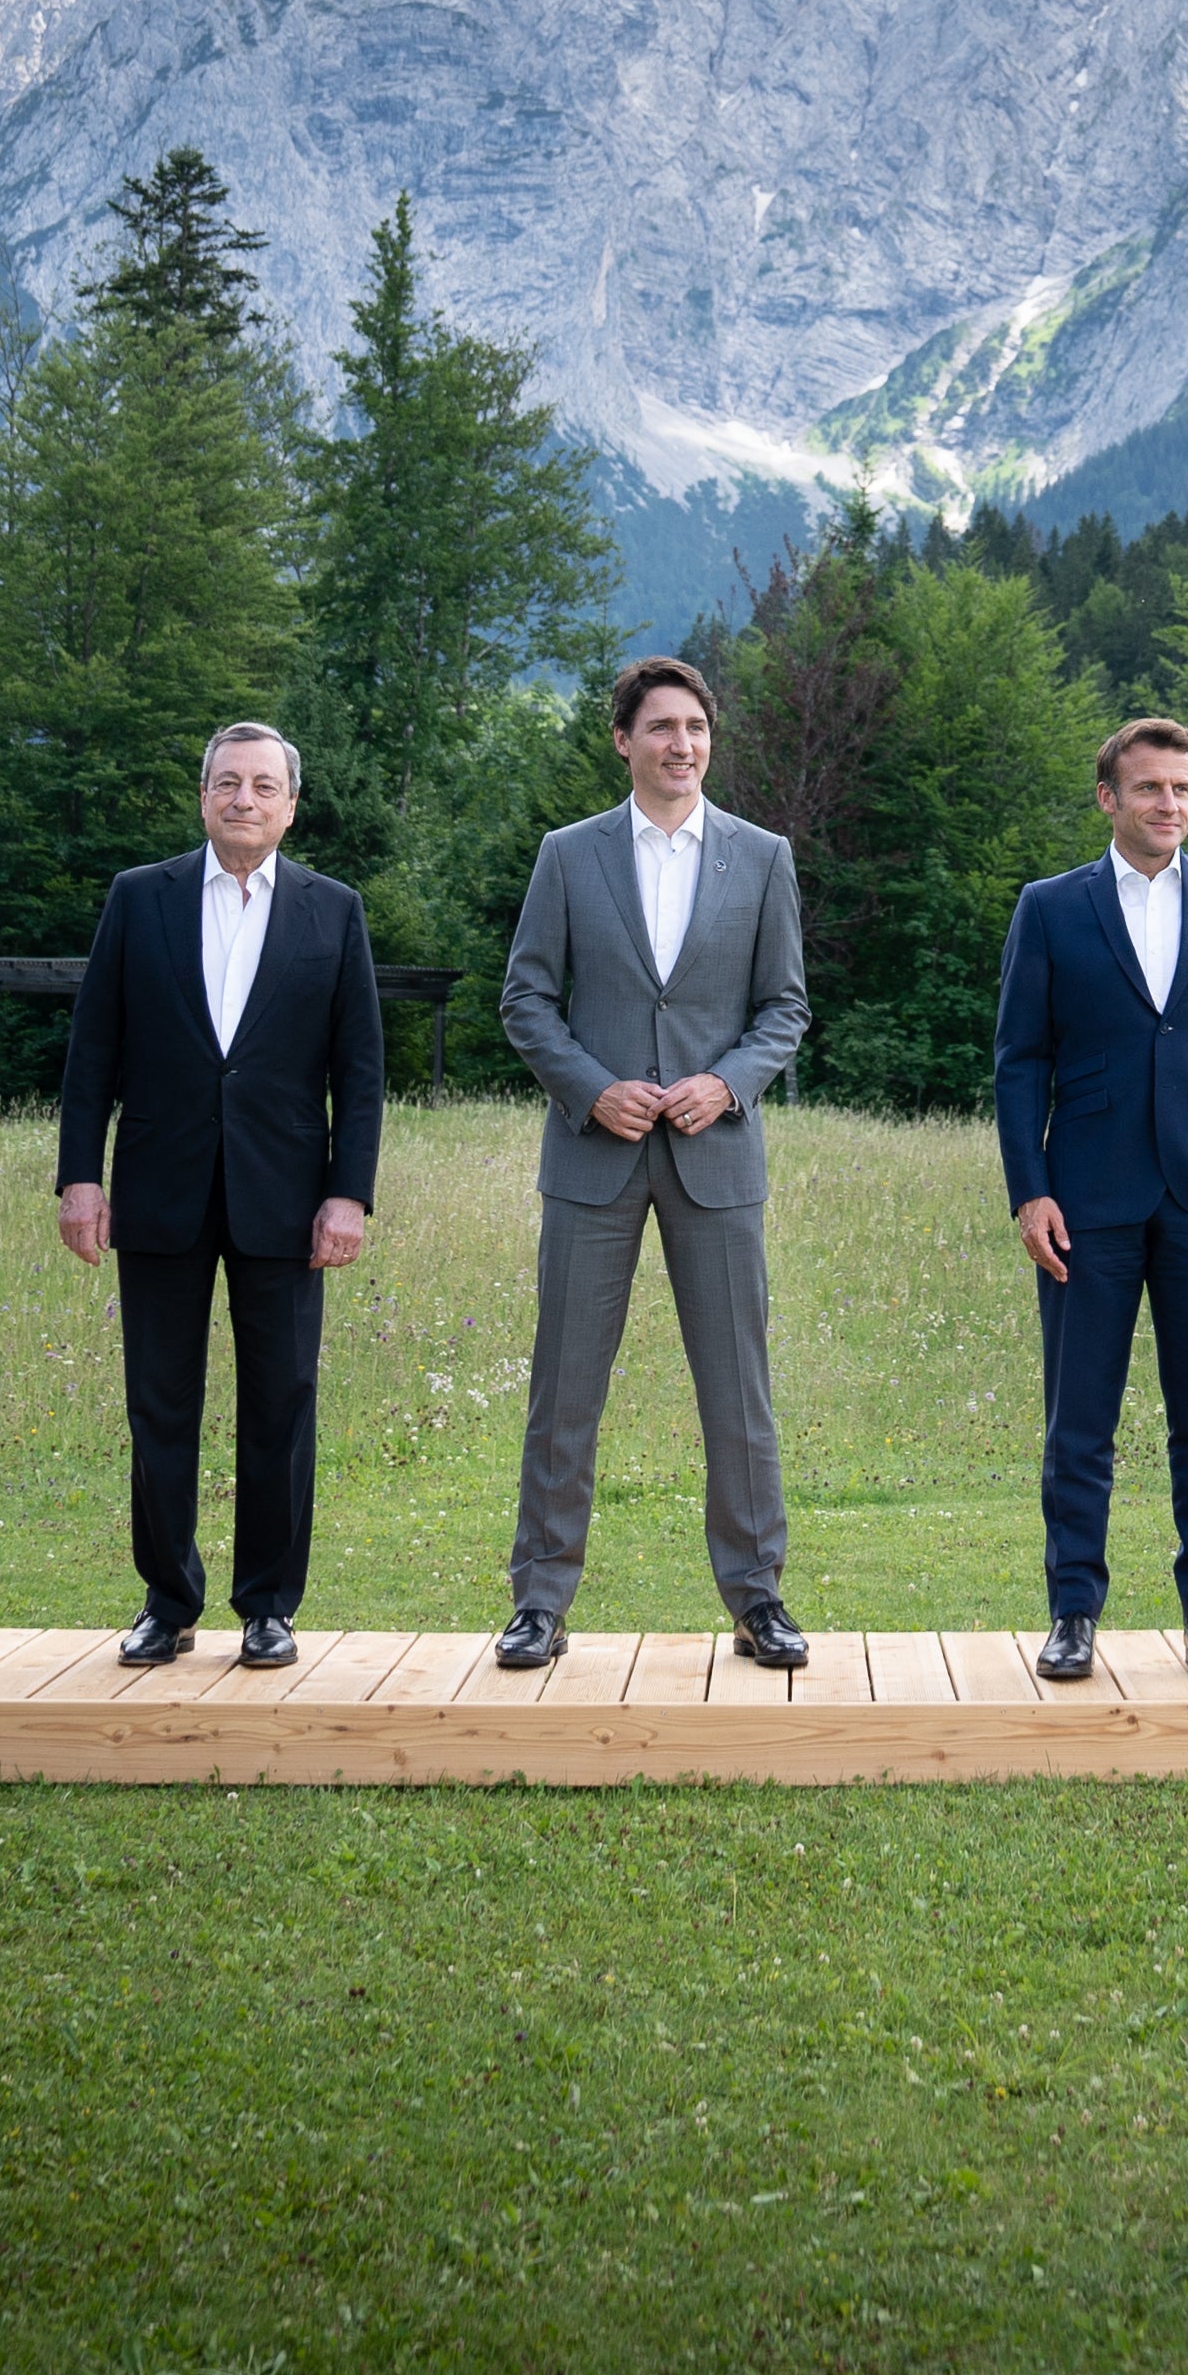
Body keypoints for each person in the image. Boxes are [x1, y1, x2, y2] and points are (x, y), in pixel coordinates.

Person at [491, 654, 814, 1673]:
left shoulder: (762, 857)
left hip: (716, 1157)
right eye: (663, 726)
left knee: (739, 1389)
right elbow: (526, 998)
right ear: (623, 739)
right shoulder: (569, 855)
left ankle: (758, 1598)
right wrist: (591, 1086)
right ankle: (539, 1599)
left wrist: (728, 1082)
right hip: (593, 1159)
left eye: (698, 728)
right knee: (564, 1388)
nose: (683, 743)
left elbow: (785, 1009)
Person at [53, 722, 386, 1671]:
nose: (244, 799)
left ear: (290, 803)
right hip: (159, 1189)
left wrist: (347, 1195)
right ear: (202, 796)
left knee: (281, 1400)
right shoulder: (138, 899)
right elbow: (92, 1056)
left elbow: (358, 1075)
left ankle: (269, 1605)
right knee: (159, 1403)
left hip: (286, 1199)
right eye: (227, 783)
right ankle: (167, 1599)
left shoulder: (334, 911)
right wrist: (81, 1177)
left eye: (263, 786)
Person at [990, 716, 1188, 1685]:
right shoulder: (1050, 908)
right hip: (1086, 1199)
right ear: (1108, 797)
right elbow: (1017, 1061)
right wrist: (1028, 1189)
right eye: (1152, 787)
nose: (1170, 803)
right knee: (1078, 1418)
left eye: (1183, 788)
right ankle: (1072, 1611)